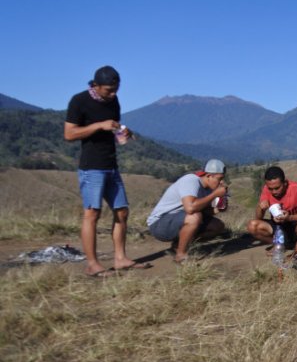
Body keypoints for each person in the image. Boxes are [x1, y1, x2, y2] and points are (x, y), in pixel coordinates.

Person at [64, 65, 147, 277]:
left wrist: (123, 132)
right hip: (92, 167)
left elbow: (114, 132)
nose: (113, 94)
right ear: (95, 85)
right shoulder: (79, 101)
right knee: (92, 214)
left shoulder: (114, 102)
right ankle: (92, 264)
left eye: (116, 90)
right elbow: (70, 134)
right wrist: (98, 125)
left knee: (122, 211)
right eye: (108, 90)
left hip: (111, 165)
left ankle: (120, 259)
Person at [147, 159, 229, 263]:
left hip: (178, 220)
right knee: (194, 217)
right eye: (219, 179)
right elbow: (190, 208)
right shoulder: (191, 180)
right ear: (208, 176)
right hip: (159, 224)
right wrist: (215, 194)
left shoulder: (209, 188)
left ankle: (178, 245)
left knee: (217, 226)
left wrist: (219, 206)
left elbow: (205, 211)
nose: (221, 182)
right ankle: (181, 255)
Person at [247, 166, 297, 254]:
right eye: (270, 189)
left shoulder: (296, 188)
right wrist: (260, 208)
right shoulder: (266, 189)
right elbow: (258, 219)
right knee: (252, 226)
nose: (274, 192)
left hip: (295, 225)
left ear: (285, 183)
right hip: (277, 226)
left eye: (277, 188)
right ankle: (279, 244)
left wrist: (289, 217)